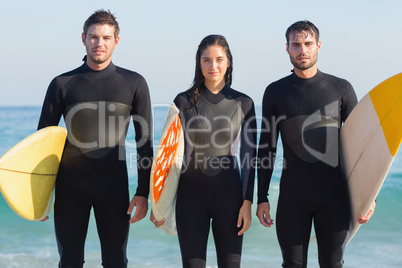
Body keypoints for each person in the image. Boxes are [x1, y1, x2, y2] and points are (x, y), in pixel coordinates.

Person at [37, 10, 153, 268]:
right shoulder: (62, 83)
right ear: (83, 38)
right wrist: (39, 195)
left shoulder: (133, 83)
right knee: (69, 261)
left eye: (106, 37)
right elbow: (41, 143)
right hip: (70, 189)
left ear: (116, 41)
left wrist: (142, 192)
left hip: (113, 188)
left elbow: (144, 142)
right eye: (93, 37)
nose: (99, 43)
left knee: (115, 261)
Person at [256, 20, 375, 267]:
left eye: (308, 43)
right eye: (296, 44)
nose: (302, 50)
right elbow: (267, 147)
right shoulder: (276, 92)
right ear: (287, 48)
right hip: (292, 198)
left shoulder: (340, 89)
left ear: (319, 46)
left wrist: (369, 197)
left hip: (334, 198)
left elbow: (359, 147)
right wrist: (262, 197)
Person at [151, 34, 257, 268]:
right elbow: (168, 155)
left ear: (228, 61)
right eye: (206, 60)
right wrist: (158, 201)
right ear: (199, 63)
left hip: (229, 198)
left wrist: (247, 202)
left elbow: (249, 157)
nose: (213, 66)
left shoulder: (244, 103)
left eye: (219, 59)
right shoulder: (183, 102)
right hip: (191, 198)